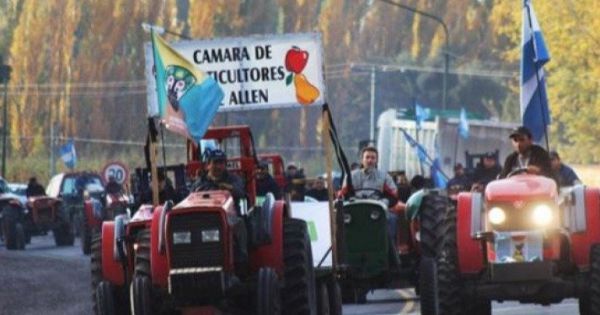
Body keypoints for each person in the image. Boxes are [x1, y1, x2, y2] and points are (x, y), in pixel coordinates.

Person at [340, 146, 405, 246]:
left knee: (392, 219)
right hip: (356, 210)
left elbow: (394, 195)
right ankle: (344, 249)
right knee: (341, 222)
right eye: (367, 157)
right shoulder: (351, 176)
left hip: (377, 210)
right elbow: (343, 194)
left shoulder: (384, 176)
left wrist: (384, 201)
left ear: (376, 160)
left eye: (373, 158)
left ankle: (390, 250)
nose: (370, 160)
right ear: (362, 160)